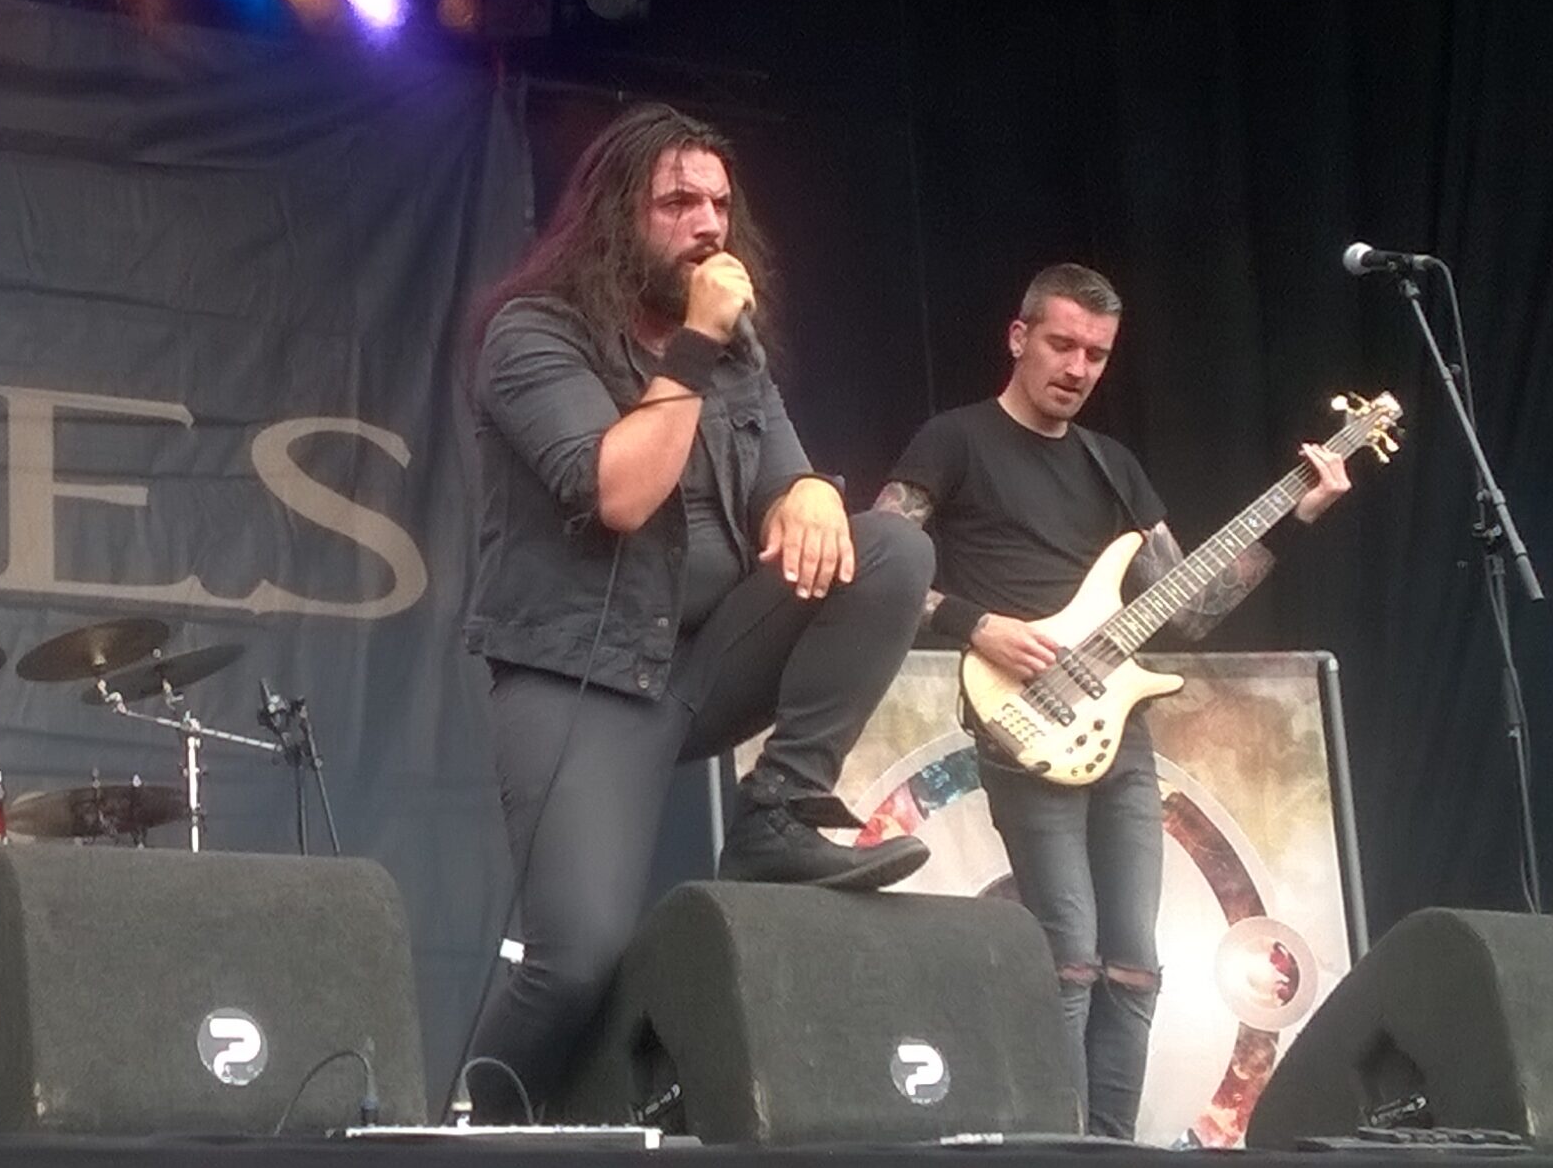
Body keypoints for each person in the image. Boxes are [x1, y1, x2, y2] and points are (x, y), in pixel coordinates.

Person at [463, 103, 935, 1121]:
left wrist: (809, 492)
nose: (708, 225)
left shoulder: (735, 359)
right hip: (580, 683)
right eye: (678, 202)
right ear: (615, 217)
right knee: (576, 961)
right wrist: (693, 344)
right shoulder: (532, 333)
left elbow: (783, 484)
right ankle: (475, 1129)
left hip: (706, 664)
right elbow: (620, 493)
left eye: (719, 203)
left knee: (892, 547)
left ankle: (779, 809)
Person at [875, 263, 1351, 1139]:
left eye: (1096, 354)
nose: (1078, 367)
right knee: (1069, 953)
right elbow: (878, 563)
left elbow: (1190, 609)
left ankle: (1111, 1146)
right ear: (1018, 337)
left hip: (1117, 727)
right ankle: (1058, 1146)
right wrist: (978, 624)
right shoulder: (954, 441)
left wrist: (1297, 516)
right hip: (1020, 717)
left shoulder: (1111, 465)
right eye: (1062, 344)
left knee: (1134, 963)